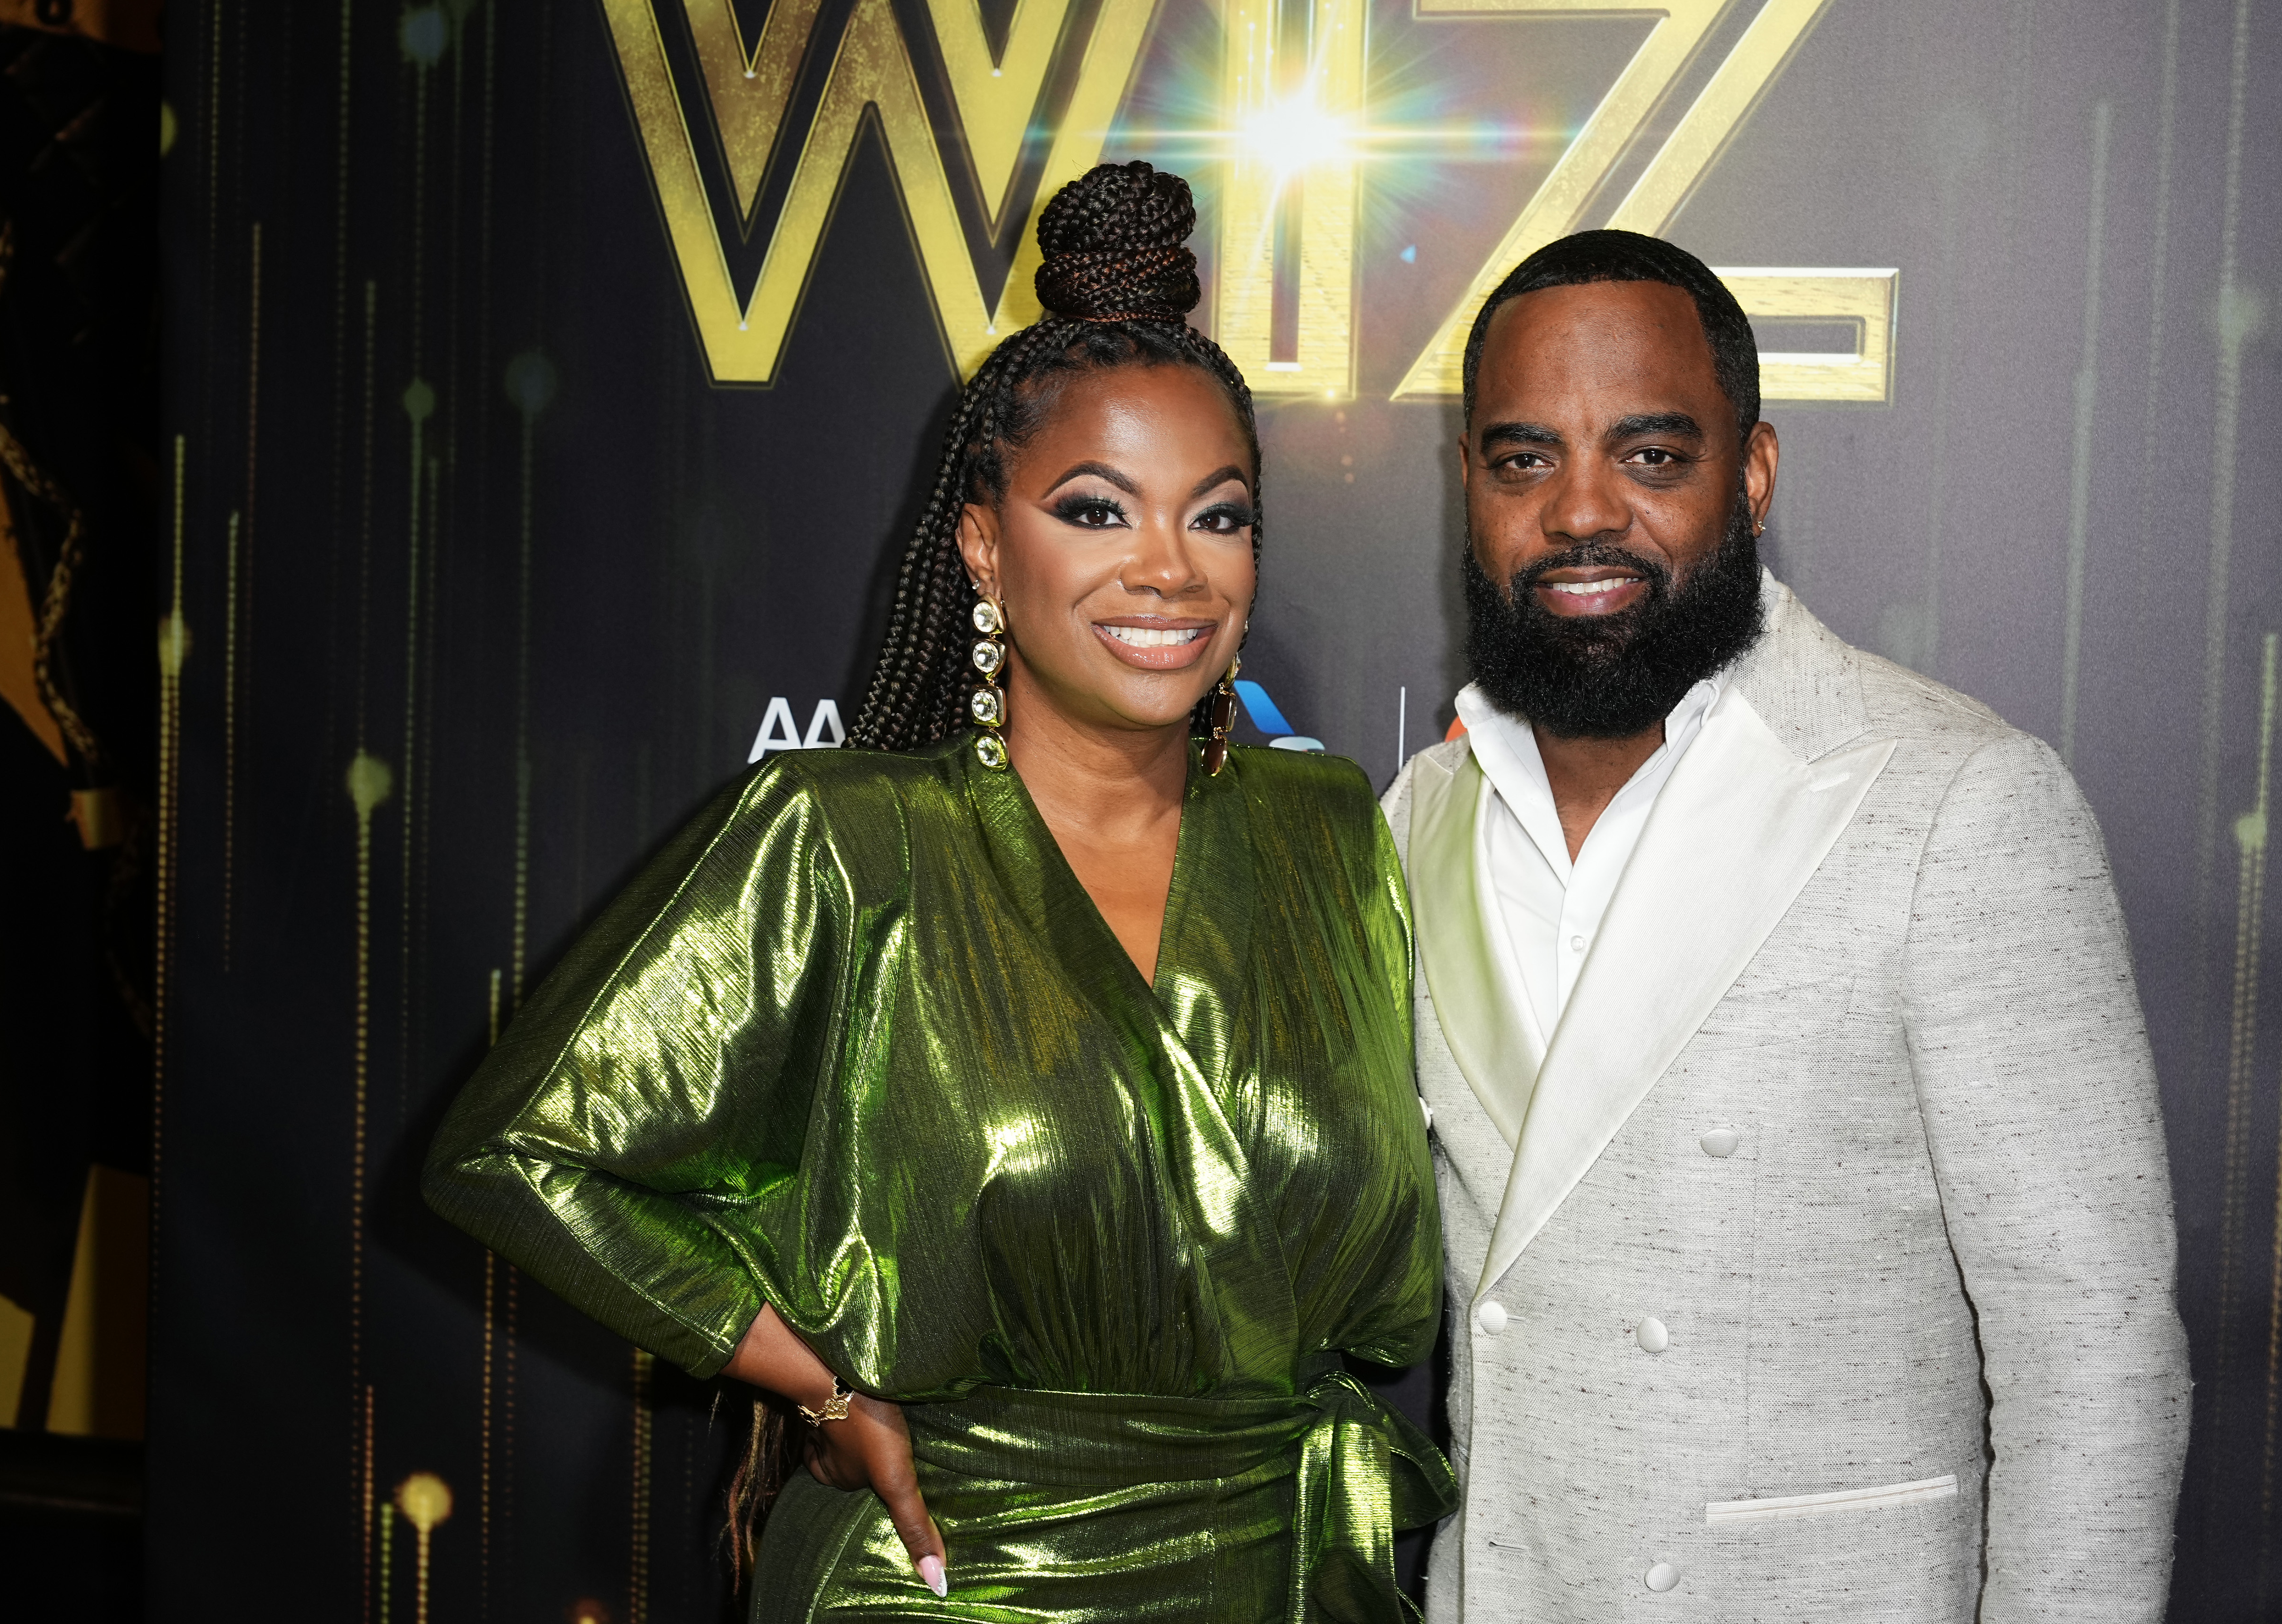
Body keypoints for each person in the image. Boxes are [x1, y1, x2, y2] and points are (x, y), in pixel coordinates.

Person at [424, 161, 1451, 1621]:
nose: (1168, 569)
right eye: (1098, 511)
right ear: (983, 545)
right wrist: (811, 1380)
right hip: (956, 1584)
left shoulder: (1328, 832)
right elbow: (521, 1155)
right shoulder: (845, 840)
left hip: (1290, 1575)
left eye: (1216, 517)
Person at [1385, 229, 2190, 1620]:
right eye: (1524, 459)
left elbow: (2092, 1354)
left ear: (1747, 472)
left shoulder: (1955, 801)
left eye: (1649, 456)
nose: (1580, 512)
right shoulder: (1417, 815)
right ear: (1470, 484)